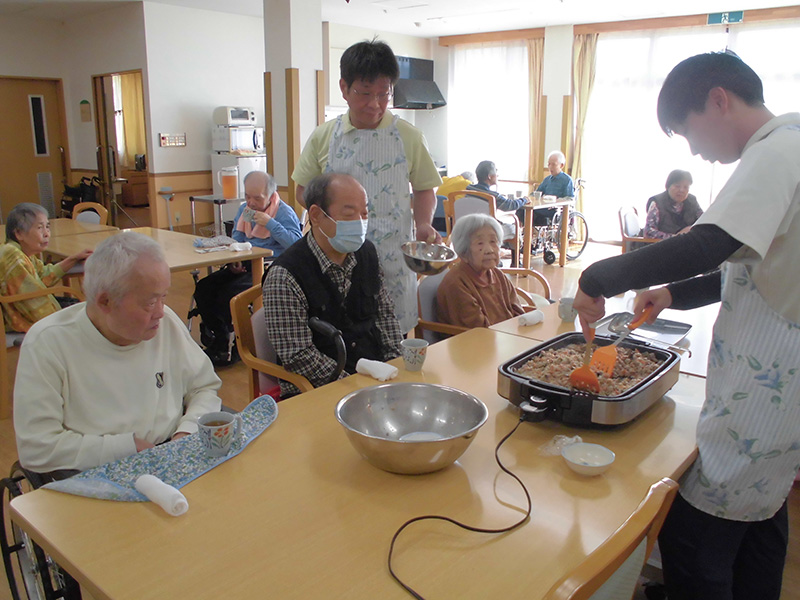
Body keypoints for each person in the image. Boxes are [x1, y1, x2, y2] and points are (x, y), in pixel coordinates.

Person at [571, 51, 800, 600]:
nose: (695, 150)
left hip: (766, 388)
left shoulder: (779, 149)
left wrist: (598, 276)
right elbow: (746, 267)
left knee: (694, 540)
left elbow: (707, 244)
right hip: (772, 387)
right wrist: (675, 292)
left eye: (688, 132)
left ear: (718, 100)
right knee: (759, 522)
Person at [14, 231, 222, 473]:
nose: (161, 312)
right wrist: (125, 448)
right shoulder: (47, 343)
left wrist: (187, 433)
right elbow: (36, 447)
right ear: (105, 301)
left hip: (172, 455)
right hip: (93, 472)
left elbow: (204, 387)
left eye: (163, 297)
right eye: (150, 302)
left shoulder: (166, 325)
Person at [291, 39, 443, 334]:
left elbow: (425, 189)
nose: (375, 104)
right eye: (364, 93)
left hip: (392, 257)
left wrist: (424, 224)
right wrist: (325, 222)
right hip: (336, 257)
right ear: (344, 88)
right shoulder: (325, 137)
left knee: (393, 338)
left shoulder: (408, 137)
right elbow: (301, 190)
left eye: (383, 94)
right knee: (341, 336)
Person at [263, 173, 403, 399]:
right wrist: (354, 387)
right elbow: (299, 357)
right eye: (349, 214)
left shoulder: (367, 253)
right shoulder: (285, 275)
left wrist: (397, 365)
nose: (360, 223)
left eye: (364, 214)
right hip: (318, 390)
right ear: (316, 215)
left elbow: (385, 316)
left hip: (374, 382)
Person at [193, 170, 302, 365]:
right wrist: (234, 260)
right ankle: (219, 339)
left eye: (257, 198)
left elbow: (296, 245)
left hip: (269, 266)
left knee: (229, 295)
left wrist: (271, 224)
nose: (250, 202)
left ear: (270, 196)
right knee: (204, 288)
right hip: (245, 262)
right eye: (247, 196)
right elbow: (238, 236)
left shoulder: (283, 212)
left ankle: (233, 346)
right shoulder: (245, 210)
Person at [1, 202, 92, 333]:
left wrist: (73, 259)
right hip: (18, 319)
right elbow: (31, 300)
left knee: (81, 307)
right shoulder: (13, 256)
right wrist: (61, 321)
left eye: (47, 227)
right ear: (19, 233)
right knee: (86, 314)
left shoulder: (21, 251)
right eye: (40, 228)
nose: (47, 234)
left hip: (22, 312)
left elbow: (43, 275)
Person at [437, 214, 525, 328]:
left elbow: (518, 313)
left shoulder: (497, 274)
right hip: (476, 343)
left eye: (493, 241)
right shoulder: (456, 284)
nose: (489, 250)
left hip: (508, 338)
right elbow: (477, 330)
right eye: (480, 243)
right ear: (463, 251)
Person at [467, 160, 528, 242]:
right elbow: (510, 205)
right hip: (487, 231)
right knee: (513, 228)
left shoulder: (468, 189)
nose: (497, 175)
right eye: (496, 172)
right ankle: (518, 253)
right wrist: (524, 200)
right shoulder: (492, 196)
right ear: (489, 176)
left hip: (467, 229)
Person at [644, 169, 704, 239]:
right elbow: (648, 233)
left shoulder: (692, 201)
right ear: (668, 186)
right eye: (677, 186)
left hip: (687, 245)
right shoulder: (657, 202)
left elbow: (703, 223)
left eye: (686, 187)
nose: (681, 190)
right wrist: (677, 238)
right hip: (662, 246)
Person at [533, 150, 574, 227]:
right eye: (548, 164)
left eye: (553, 164)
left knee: (534, 212)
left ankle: (532, 232)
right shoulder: (547, 180)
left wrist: (555, 201)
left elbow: (569, 198)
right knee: (522, 210)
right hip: (544, 206)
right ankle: (524, 234)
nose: (550, 167)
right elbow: (538, 192)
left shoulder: (567, 180)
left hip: (556, 210)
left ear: (561, 165)